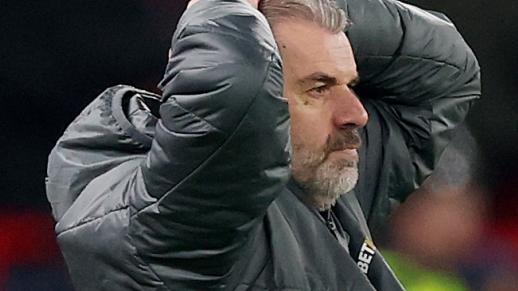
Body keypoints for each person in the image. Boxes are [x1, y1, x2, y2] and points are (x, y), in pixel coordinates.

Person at [45, 0, 480, 289]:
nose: (356, 113)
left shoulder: (317, 183)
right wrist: (225, 5)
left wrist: (303, 6)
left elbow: (446, 71)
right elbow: (237, 91)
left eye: (351, 85)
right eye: (319, 88)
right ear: (263, 105)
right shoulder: (177, 223)